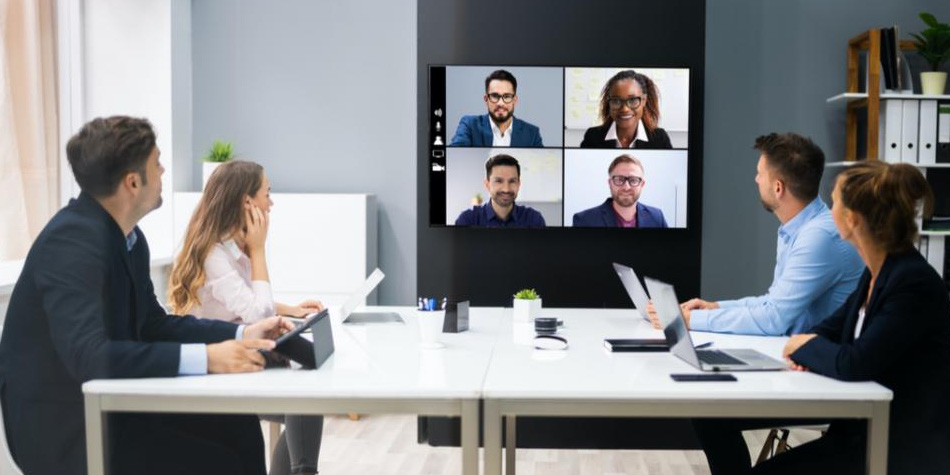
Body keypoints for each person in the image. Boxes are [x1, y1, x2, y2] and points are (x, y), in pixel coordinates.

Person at [0, 116, 294, 475]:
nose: (164, 168)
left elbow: (152, 323)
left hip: (114, 408)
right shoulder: (72, 240)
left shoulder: (128, 239)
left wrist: (241, 334)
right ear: (133, 182)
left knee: (239, 425)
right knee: (218, 463)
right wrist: (208, 357)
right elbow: (91, 357)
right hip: (66, 427)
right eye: (157, 162)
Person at [695, 161, 950, 475]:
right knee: (711, 416)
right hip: (857, 433)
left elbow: (855, 362)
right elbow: (829, 329)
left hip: (896, 446)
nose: (829, 212)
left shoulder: (912, 282)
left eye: (835, 202)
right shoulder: (878, 272)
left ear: (853, 219)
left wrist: (803, 348)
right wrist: (807, 345)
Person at [168, 160, 324, 475]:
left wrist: (290, 309)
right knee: (306, 398)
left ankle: (302, 471)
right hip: (217, 370)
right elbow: (258, 312)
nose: (272, 202)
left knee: (307, 399)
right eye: (267, 193)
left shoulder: (228, 248)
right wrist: (258, 251)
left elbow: (247, 303)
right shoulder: (215, 255)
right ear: (247, 202)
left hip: (236, 357)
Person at [650, 133, 863, 336]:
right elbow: (772, 302)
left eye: (760, 173)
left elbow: (773, 318)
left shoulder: (819, 236)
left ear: (778, 188)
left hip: (814, 367)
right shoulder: (798, 228)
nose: (756, 179)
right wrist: (713, 308)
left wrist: (687, 320)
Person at [580, 69, 672, 149]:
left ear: (644, 100)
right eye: (616, 101)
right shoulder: (592, 137)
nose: (624, 109)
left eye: (632, 100)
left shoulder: (659, 139)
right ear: (609, 102)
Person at [450, 69, 544, 147]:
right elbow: (454, 156)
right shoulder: (470, 125)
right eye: (495, 96)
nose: (500, 103)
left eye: (506, 96)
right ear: (486, 99)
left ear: (514, 100)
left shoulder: (532, 133)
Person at [572, 154, 668, 228]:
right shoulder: (584, 220)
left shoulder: (657, 217)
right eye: (619, 180)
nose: (626, 187)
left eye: (633, 180)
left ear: (642, 184)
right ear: (610, 183)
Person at [455, 154, 546, 228]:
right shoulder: (468, 220)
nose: (506, 189)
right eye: (499, 181)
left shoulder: (534, 219)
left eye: (512, 181)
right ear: (487, 185)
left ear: (519, 184)